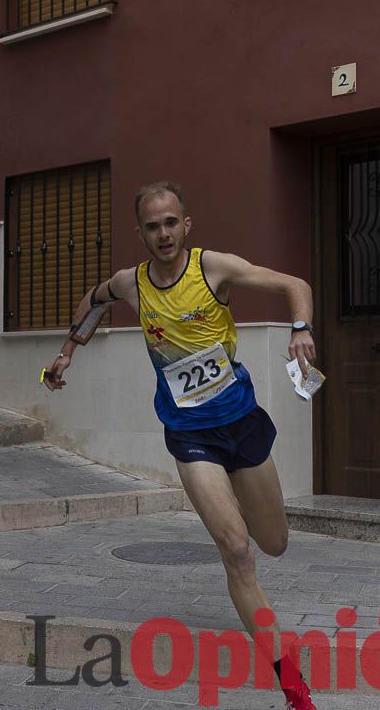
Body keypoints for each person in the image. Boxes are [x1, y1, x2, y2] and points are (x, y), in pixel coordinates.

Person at [41, 182, 319, 709]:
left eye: (171, 223)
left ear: (185, 225)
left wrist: (301, 328)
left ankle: (244, 508)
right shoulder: (132, 283)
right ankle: (292, 686)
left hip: (242, 423)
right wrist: (67, 353)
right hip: (189, 435)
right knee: (237, 552)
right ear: (141, 232)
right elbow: (93, 300)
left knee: (274, 542)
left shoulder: (213, 268)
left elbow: (294, 284)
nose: (163, 233)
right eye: (152, 226)